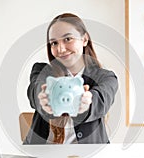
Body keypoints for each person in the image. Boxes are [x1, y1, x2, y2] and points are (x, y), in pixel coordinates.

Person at [23, 13, 118, 144]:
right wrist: (43, 98)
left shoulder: (105, 77)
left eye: (68, 39)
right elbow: (36, 89)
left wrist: (87, 103)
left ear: (84, 39)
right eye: (54, 43)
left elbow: (102, 99)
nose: (60, 49)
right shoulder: (42, 71)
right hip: (42, 157)